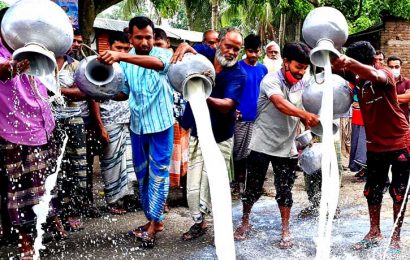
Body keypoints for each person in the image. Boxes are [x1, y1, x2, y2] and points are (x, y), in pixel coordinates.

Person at [234, 42, 319, 249]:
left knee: (285, 190)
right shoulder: (270, 80)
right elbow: (281, 104)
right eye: (298, 67)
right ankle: (245, 222)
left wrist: (309, 124)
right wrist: (305, 115)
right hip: (261, 144)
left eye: (305, 68)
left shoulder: (305, 82)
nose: (301, 72)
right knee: (252, 189)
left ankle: (285, 230)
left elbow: (308, 104)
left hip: (286, 146)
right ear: (286, 62)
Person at [98, 16, 174, 248]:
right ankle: (152, 219)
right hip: (138, 126)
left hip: (161, 126)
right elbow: (124, 93)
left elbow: (157, 65)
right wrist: (100, 91)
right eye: (139, 37)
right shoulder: (126, 63)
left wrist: (121, 55)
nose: (144, 41)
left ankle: (155, 223)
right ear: (130, 37)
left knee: (159, 175)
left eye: (148, 37)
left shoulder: (162, 54)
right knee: (142, 176)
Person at [332, 41, 409, 252]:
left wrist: (350, 62)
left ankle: (395, 237)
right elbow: (332, 66)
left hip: (399, 142)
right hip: (375, 146)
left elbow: (375, 75)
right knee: (371, 191)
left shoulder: (383, 75)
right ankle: (374, 231)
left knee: (399, 192)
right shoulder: (357, 79)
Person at [171, 27, 246, 241]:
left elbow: (227, 105)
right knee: (194, 183)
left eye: (236, 49)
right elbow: (186, 50)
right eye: (228, 46)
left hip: (221, 136)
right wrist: (185, 47)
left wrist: (201, 92)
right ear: (219, 43)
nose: (231, 52)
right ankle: (199, 223)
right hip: (197, 131)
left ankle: (222, 226)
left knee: (217, 182)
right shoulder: (205, 54)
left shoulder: (237, 73)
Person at [0, 7, 58, 259]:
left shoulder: (31, 45)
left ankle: (45, 228)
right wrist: (11, 68)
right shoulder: (4, 52)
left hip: (41, 128)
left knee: (43, 185)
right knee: (18, 191)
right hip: (13, 133)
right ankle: (24, 242)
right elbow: (2, 70)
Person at [89, 31, 137, 215]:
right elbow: (93, 97)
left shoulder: (131, 65)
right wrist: (100, 126)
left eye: (126, 48)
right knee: (111, 163)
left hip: (129, 121)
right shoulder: (100, 65)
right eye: (119, 48)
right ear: (109, 47)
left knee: (129, 162)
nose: (123, 52)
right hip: (109, 121)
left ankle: (127, 198)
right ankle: (113, 201)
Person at [232, 34, 267, 196]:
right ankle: (237, 184)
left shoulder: (263, 69)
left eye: (257, 51)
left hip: (259, 118)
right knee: (239, 152)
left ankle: (252, 185)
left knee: (255, 154)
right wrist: (233, 108)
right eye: (250, 51)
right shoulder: (237, 67)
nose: (254, 55)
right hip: (241, 118)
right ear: (245, 50)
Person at [387, 55, 410, 122]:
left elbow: (408, 98)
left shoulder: (407, 82)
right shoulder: (384, 82)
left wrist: (388, 98)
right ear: (387, 67)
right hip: (387, 119)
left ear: (400, 67)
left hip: (403, 118)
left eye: (396, 67)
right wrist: (401, 98)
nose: (394, 69)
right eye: (391, 67)